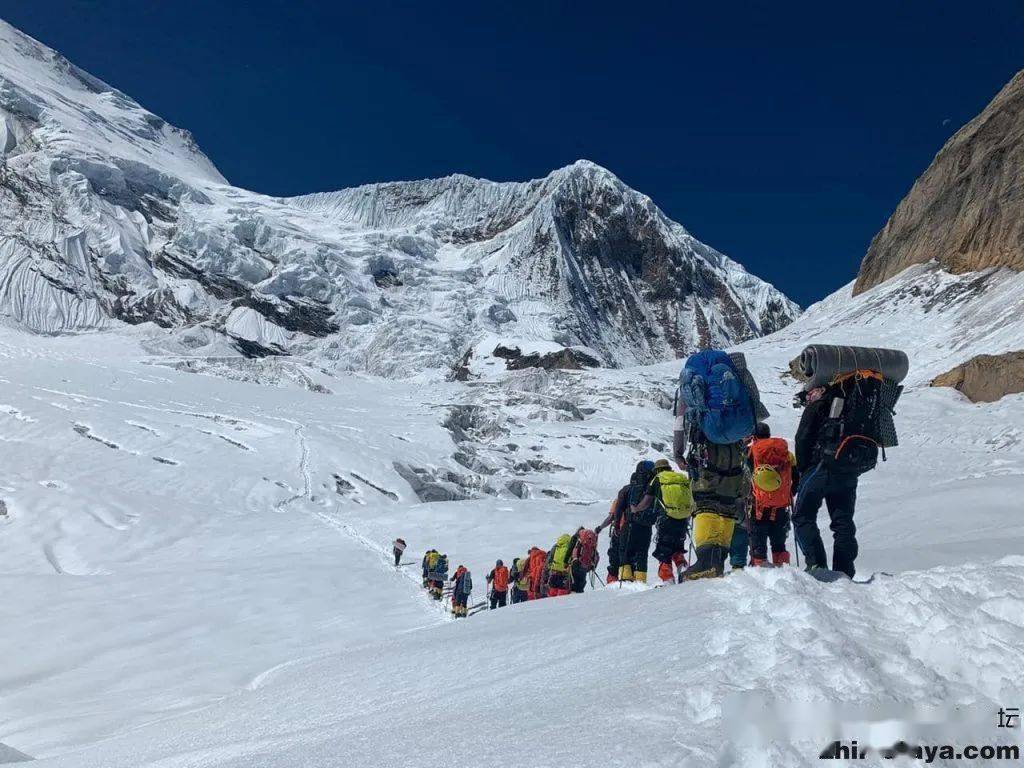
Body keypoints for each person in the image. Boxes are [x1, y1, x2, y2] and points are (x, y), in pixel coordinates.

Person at [792, 379, 862, 578]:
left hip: (820, 467)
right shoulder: (852, 404)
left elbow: (802, 438)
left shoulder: (819, 404)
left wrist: (803, 470)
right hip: (848, 470)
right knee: (843, 520)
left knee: (802, 515)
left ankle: (816, 565)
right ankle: (845, 570)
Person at [631, 459, 693, 583]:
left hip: (666, 519)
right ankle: (684, 571)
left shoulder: (658, 479)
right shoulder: (681, 477)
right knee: (677, 547)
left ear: (657, 470)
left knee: (663, 550)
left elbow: (647, 500)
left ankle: (668, 579)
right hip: (683, 518)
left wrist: (636, 509)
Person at [746, 422, 797, 566]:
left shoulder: (751, 451)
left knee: (758, 544)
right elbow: (796, 477)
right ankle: (783, 570)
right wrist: (789, 493)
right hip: (781, 505)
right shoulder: (786, 453)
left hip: (759, 507)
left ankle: (760, 569)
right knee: (779, 545)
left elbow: (746, 475)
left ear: (754, 437)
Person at [618, 460, 657, 583]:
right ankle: (640, 580)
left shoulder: (629, 488)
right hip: (647, 525)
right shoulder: (654, 487)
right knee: (642, 552)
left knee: (625, 550)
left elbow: (619, 509)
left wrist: (617, 526)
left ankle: (625, 578)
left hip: (631, 523)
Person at [595, 483, 630, 583]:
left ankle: (612, 581)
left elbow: (611, 518)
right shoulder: (636, 500)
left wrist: (600, 527)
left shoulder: (618, 501)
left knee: (615, 557)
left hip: (618, 532)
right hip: (632, 532)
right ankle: (629, 579)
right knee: (628, 556)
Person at [569, 527, 599, 593]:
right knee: (581, 584)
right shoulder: (590, 541)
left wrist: (566, 562)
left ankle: (573, 597)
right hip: (585, 566)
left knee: (574, 584)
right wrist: (592, 566)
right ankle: (580, 597)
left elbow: (570, 550)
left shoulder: (576, 539)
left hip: (575, 564)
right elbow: (596, 555)